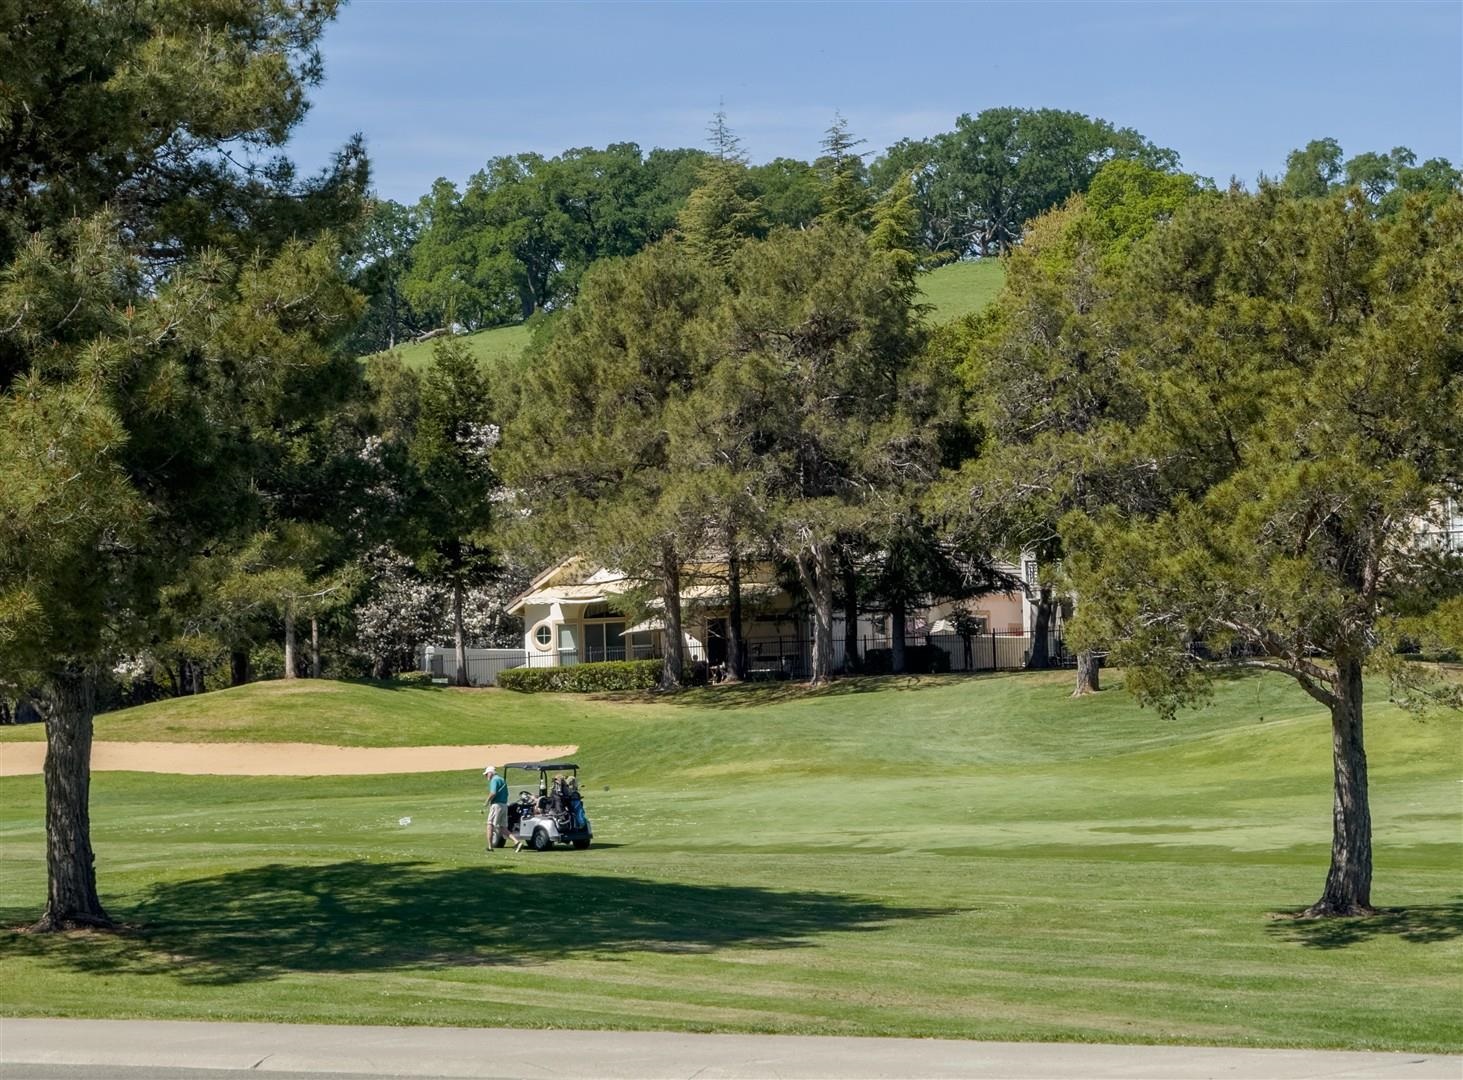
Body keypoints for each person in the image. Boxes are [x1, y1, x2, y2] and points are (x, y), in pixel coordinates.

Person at [483, 765, 520, 853]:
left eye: (486, 774)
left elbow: (493, 792)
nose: (486, 776)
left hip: (496, 805)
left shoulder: (494, 780)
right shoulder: (502, 780)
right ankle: (517, 842)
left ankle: (490, 846)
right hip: (504, 805)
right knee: (502, 828)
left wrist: (487, 801)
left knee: (490, 825)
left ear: (490, 773)